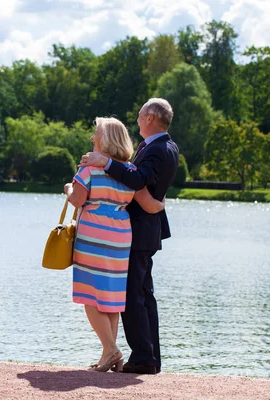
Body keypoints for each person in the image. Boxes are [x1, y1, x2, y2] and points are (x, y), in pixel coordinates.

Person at [80, 98, 179, 375]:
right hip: (147, 228)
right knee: (144, 295)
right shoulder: (163, 146)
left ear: (150, 118)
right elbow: (147, 185)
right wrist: (155, 202)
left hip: (140, 230)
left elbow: (138, 180)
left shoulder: (159, 148)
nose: (136, 119)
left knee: (134, 296)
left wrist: (105, 162)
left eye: (139, 115)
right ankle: (149, 356)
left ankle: (143, 359)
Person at [64, 117, 165, 372]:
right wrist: (162, 203)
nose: (92, 138)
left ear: (105, 139)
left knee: (89, 295)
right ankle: (110, 355)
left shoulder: (88, 169)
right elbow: (149, 204)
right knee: (111, 297)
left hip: (93, 236)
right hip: (120, 237)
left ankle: (111, 349)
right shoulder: (129, 172)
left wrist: (67, 188)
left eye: (95, 133)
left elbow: (77, 200)